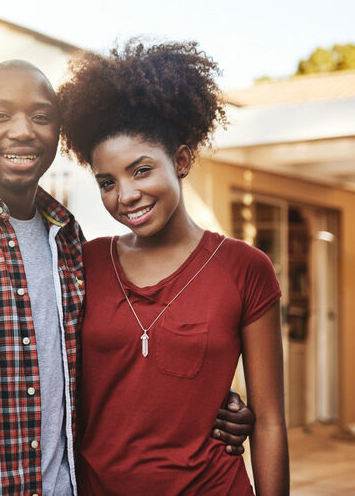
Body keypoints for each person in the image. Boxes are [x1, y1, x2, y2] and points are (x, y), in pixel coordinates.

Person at [0, 59, 254, 495]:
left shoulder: (69, 241)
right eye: (1, 115)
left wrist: (211, 402)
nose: (23, 130)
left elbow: (106, 369)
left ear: (58, 134)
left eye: (41, 116)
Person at [57, 40, 289, 495]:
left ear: (181, 161)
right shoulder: (85, 264)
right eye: (108, 182)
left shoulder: (245, 268)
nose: (125, 195)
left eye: (141, 170)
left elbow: (271, 423)